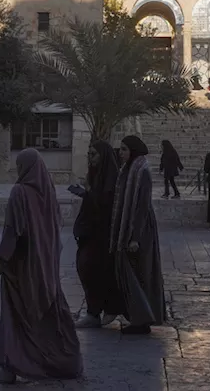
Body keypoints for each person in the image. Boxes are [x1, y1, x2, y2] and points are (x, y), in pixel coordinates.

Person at [0, 148, 83, 383]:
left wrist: (1, 260)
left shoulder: (19, 192)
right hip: (45, 269)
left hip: (21, 268)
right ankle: (65, 362)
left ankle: (8, 367)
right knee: (48, 315)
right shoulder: (47, 194)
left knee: (15, 314)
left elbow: (12, 232)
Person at [111, 135, 166, 335]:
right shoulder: (128, 169)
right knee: (132, 272)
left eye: (125, 149)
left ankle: (142, 320)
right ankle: (138, 317)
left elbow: (142, 206)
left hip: (140, 230)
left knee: (139, 273)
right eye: (121, 149)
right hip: (129, 227)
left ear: (133, 151)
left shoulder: (141, 171)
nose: (121, 153)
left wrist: (134, 236)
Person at [70, 141, 122, 329]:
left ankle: (97, 312)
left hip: (103, 235)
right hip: (90, 233)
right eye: (89, 154)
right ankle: (98, 310)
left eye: (94, 154)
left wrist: (89, 190)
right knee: (87, 269)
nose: (90, 158)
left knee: (95, 271)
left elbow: (106, 204)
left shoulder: (111, 177)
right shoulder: (95, 174)